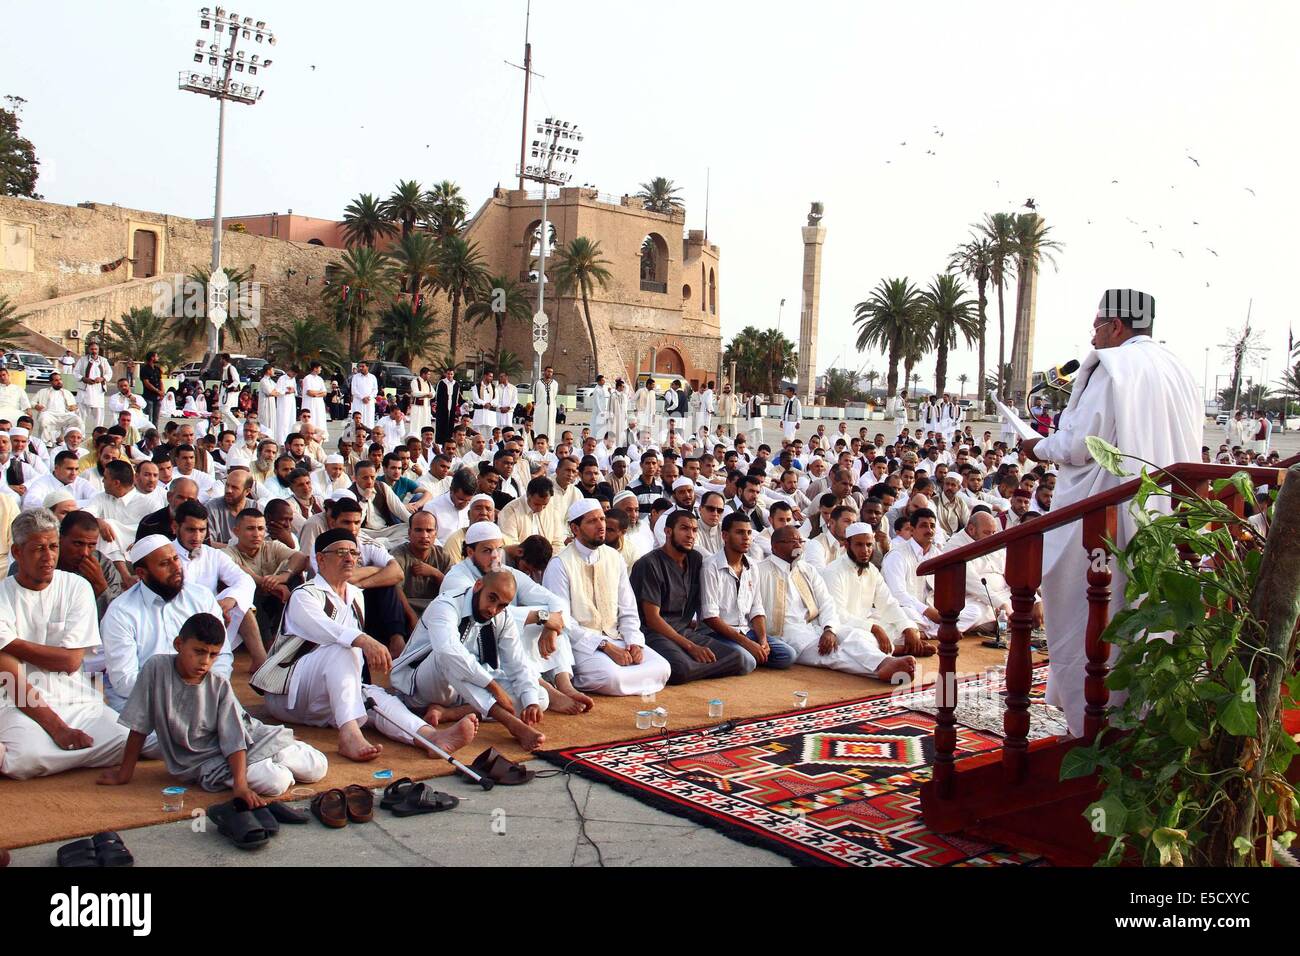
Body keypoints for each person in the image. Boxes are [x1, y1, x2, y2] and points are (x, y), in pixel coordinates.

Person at [1021, 289, 1200, 736]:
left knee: (1092, 614)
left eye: (1098, 325)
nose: (1094, 335)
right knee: (1143, 615)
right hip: (1162, 518)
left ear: (1117, 326)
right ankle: (1140, 718)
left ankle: (1095, 724)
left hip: (1106, 521)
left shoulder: (1112, 365)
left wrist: (1037, 446)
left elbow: (1081, 443)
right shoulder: (1177, 368)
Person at [253, 528, 480, 762]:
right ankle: (349, 735)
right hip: (289, 692)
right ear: (320, 558)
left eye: (353, 552)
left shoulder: (355, 595)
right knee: (344, 648)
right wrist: (365, 640)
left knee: (377, 699)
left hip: (327, 697)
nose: (350, 558)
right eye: (341, 552)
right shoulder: (305, 594)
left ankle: (430, 737)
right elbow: (328, 630)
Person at [98, 611, 328, 800]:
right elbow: (139, 725)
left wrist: (240, 786)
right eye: (198, 652)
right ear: (179, 644)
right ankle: (268, 758)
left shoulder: (217, 683)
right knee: (277, 783)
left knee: (318, 766)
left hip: (248, 739)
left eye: (213, 655)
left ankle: (270, 754)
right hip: (207, 759)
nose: (205, 662)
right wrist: (124, 774)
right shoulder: (156, 668)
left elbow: (234, 737)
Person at [0, 509, 129, 779]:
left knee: (126, 741)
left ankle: (58, 753)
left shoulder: (76, 587)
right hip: (17, 701)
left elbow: (70, 662)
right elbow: (10, 675)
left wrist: (9, 643)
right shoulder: (3, 596)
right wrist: (58, 728)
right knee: (26, 757)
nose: (48, 557)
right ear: (16, 552)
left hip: (76, 697)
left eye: (53, 546)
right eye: (38, 549)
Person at [542, 499, 672, 697]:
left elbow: (627, 608)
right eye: (592, 521)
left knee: (663, 667)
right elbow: (563, 621)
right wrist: (605, 646)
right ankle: (574, 678)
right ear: (575, 528)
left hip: (617, 638)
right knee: (612, 677)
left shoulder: (614, 557)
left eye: (602, 519)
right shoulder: (559, 564)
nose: (601, 525)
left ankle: (626, 676)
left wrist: (634, 642)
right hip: (582, 645)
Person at [755, 525, 916, 680]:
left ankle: (884, 663)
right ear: (775, 546)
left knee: (855, 636)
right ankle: (881, 667)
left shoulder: (806, 569)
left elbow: (826, 603)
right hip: (786, 635)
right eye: (792, 541)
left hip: (814, 626)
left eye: (800, 541)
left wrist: (829, 629)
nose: (798, 545)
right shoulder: (759, 571)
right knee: (833, 654)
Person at [99, 535, 230, 712]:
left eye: (176, 558)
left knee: (256, 735)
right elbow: (125, 682)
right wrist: (180, 693)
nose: (176, 567)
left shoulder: (202, 597)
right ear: (141, 573)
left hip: (204, 695)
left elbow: (222, 655)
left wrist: (206, 692)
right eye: (164, 564)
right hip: (146, 703)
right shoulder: (121, 612)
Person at [629, 510, 749, 684]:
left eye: (694, 530)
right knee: (681, 668)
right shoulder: (649, 563)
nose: (690, 535)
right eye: (684, 529)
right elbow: (653, 619)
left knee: (739, 658)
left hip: (684, 631)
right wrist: (691, 647)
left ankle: (692, 667)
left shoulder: (695, 559)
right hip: (654, 633)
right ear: (668, 531)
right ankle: (686, 667)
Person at [699, 512, 795, 671]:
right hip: (718, 634)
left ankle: (746, 656)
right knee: (747, 660)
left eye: (749, 533)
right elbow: (710, 618)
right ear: (725, 535)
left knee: (787, 655)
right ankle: (743, 656)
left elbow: (757, 609)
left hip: (745, 630)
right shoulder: (711, 566)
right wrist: (747, 643)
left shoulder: (752, 566)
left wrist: (762, 640)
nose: (746, 537)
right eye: (739, 532)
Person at [823, 523, 928, 657]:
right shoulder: (834, 571)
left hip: (865, 623)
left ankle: (894, 647)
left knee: (909, 627)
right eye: (859, 545)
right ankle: (898, 649)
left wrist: (907, 629)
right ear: (848, 545)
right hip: (842, 627)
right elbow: (837, 615)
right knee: (855, 638)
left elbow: (888, 603)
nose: (865, 550)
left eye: (869, 545)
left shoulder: (872, 570)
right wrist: (874, 628)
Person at [30, 372, 81, 445]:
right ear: (51, 382)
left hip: (64, 414)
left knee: (77, 420)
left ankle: (63, 438)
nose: (59, 382)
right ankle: (47, 440)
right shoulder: (43, 392)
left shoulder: (67, 392)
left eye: (60, 379)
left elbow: (74, 406)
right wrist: (36, 406)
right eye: (56, 380)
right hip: (48, 414)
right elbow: (32, 402)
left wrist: (74, 407)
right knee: (44, 419)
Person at [73, 342, 113, 430]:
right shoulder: (82, 360)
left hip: (98, 392)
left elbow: (109, 373)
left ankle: (98, 437)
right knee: (81, 416)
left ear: (98, 350)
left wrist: (102, 378)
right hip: (85, 390)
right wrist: (84, 379)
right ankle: (80, 435)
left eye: (95, 349)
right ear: (88, 350)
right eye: (92, 349)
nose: (94, 351)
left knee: (99, 416)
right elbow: (75, 372)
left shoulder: (103, 360)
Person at [300, 361, 329, 435]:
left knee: (319, 419)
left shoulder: (320, 379)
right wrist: (319, 392)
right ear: (315, 368)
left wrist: (316, 394)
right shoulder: (307, 378)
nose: (321, 369)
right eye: (320, 368)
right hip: (310, 403)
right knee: (311, 418)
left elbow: (325, 393)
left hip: (319, 403)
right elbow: (309, 392)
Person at [534, 365, 560, 446]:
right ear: (544, 372)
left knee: (551, 427)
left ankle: (550, 444)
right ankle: (539, 443)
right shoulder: (538, 383)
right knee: (540, 426)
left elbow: (555, 396)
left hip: (551, 409)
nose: (549, 373)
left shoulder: (555, 383)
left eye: (551, 372)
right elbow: (534, 397)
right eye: (548, 371)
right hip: (540, 409)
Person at [349, 361, 379, 429]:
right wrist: (362, 398)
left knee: (369, 419)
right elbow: (353, 390)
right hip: (358, 402)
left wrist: (369, 397)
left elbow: (375, 390)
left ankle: (369, 436)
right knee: (358, 418)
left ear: (367, 367)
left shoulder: (372, 377)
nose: (361, 368)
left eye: (363, 366)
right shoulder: (355, 377)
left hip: (369, 402)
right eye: (360, 366)